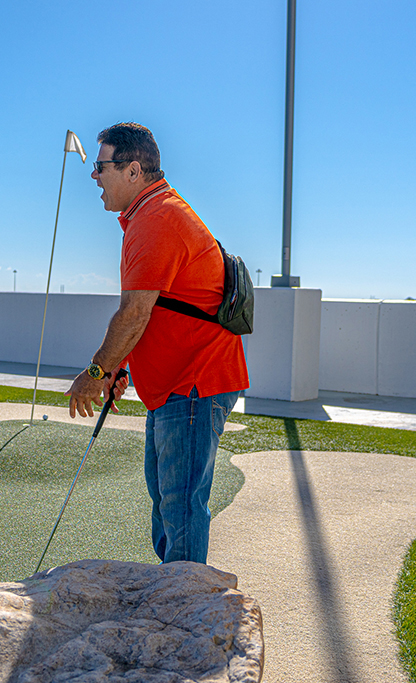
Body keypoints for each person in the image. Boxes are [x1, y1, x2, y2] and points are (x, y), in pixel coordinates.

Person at [66, 122, 249, 564]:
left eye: (101, 166)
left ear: (133, 170)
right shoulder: (150, 214)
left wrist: (96, 372)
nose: (94, 175)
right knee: (169, 501)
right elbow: (159, 309)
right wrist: (121, 367)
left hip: (194, 382)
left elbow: (133, 314)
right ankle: (173, 589)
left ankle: (184, 601)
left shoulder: (157, 219)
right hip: (178, 384)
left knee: (180, 505)